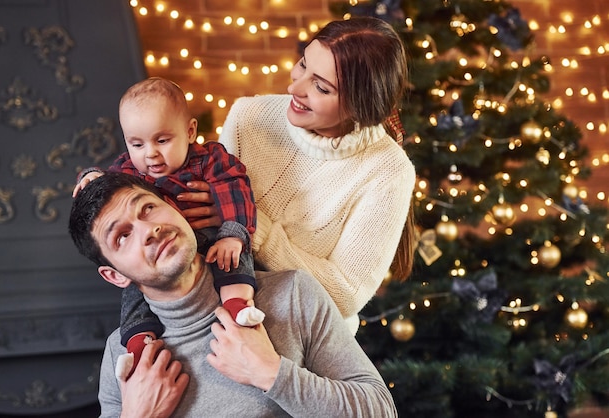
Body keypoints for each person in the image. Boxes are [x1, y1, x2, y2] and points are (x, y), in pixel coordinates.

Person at [68, 172, 398, 417]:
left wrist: (271, 373)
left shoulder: (291, 294)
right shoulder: (123, 355)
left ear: (173, 207)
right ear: (114, 275)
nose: (149, 230)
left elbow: (381, 411)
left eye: (148, 209)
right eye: (123, 236)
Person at [178, 16, 417, 335]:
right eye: (303, 64)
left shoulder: (388, 171)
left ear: (362, 103)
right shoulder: (249, 117)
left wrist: (251, 224)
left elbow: (345, 295)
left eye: (320, 86)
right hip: (215, 322)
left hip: (308, 339)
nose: (294, 87)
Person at [73, 77, 264, 380]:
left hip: (211, 237)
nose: (150, 154)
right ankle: (138, 344)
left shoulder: (208, 160)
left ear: (190, 131)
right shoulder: (129, 170)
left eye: (162, 141)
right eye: (137, 144)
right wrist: (91, 176)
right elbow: (105, 183)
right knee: (136, 292)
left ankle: (238, 302)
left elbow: (235, 187)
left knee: (233, 253)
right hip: (161, 265)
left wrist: (233, 230)